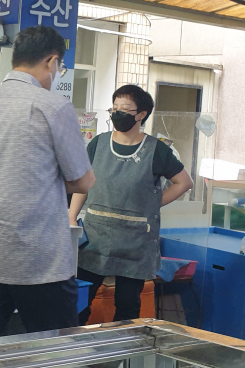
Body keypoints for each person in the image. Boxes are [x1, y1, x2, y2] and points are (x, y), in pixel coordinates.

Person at [0, 25, 95, 336]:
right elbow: (83, 181)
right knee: (57, 352)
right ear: (52, 61)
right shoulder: (52, 105)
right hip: (41, 259)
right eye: (59, 66)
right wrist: (44, 179)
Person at [69, 85, 193, 324]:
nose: (118, 113)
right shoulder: (99, 144)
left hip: (135, 243)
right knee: (78, 304)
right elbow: (83, 183)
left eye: (125, 109)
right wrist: (72, 216)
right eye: (114, 108)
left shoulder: (156, 150)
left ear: (141, 114)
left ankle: (118, 358)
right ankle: (73, 353)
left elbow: (183, 182)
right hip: (96, 239)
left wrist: (152, 204)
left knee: (127, 307)